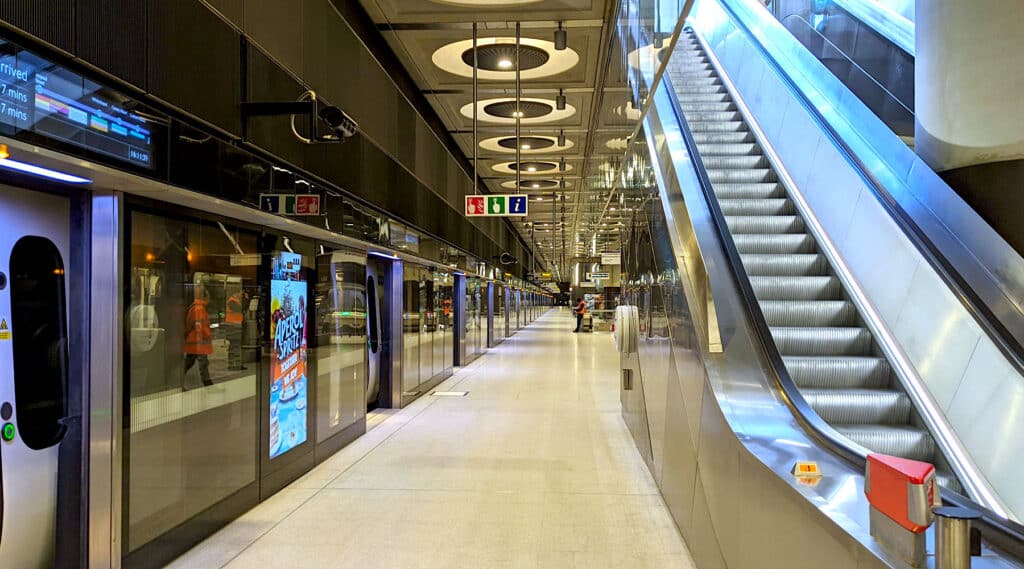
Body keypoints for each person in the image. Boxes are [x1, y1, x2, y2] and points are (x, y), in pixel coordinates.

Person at [184, 284, 214, 388]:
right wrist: (208, 335)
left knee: (190, 362)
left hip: (195, 342)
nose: (209, 298)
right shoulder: (199, 309)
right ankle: (208, 384)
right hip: (198, 342)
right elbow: (200, 326)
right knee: (203, 363)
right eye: (208, 296)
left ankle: (176, 380)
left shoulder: (196, 307)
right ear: (204, 296)